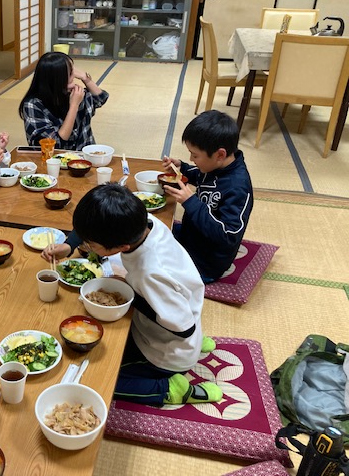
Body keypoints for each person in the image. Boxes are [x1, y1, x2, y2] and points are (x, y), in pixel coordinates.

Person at [44, 184, 222, 406]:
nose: (87, 245)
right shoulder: (143, 221)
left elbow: (184, 328)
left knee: (92, 379)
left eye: (91, 244)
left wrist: (131, 296)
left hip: (167, 353)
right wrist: (69, 246)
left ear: (122, 246)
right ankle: (195, 345)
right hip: (183, 305)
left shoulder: (151, 272)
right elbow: (96, 222)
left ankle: (171, 390)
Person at [162, 110, 253, 282]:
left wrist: (191, 203)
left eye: (195, 155)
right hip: (191, 237)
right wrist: (182, 167)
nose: (192, 158)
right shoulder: (215, 166)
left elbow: (228, 237)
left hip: (205, 262)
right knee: (152, 228)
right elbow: (200, 174)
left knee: (151, 268)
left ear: (220, 154)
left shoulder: (238, 187)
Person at [18, 51, 108, 150]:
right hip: (56, 157)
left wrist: (85, 78)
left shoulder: (74, 93)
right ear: (58, 79)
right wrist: (74, 106)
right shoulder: (33, 104)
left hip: (85, 155)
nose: (75, 75)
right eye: (70, 72)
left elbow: (101, 98)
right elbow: (54, 144)